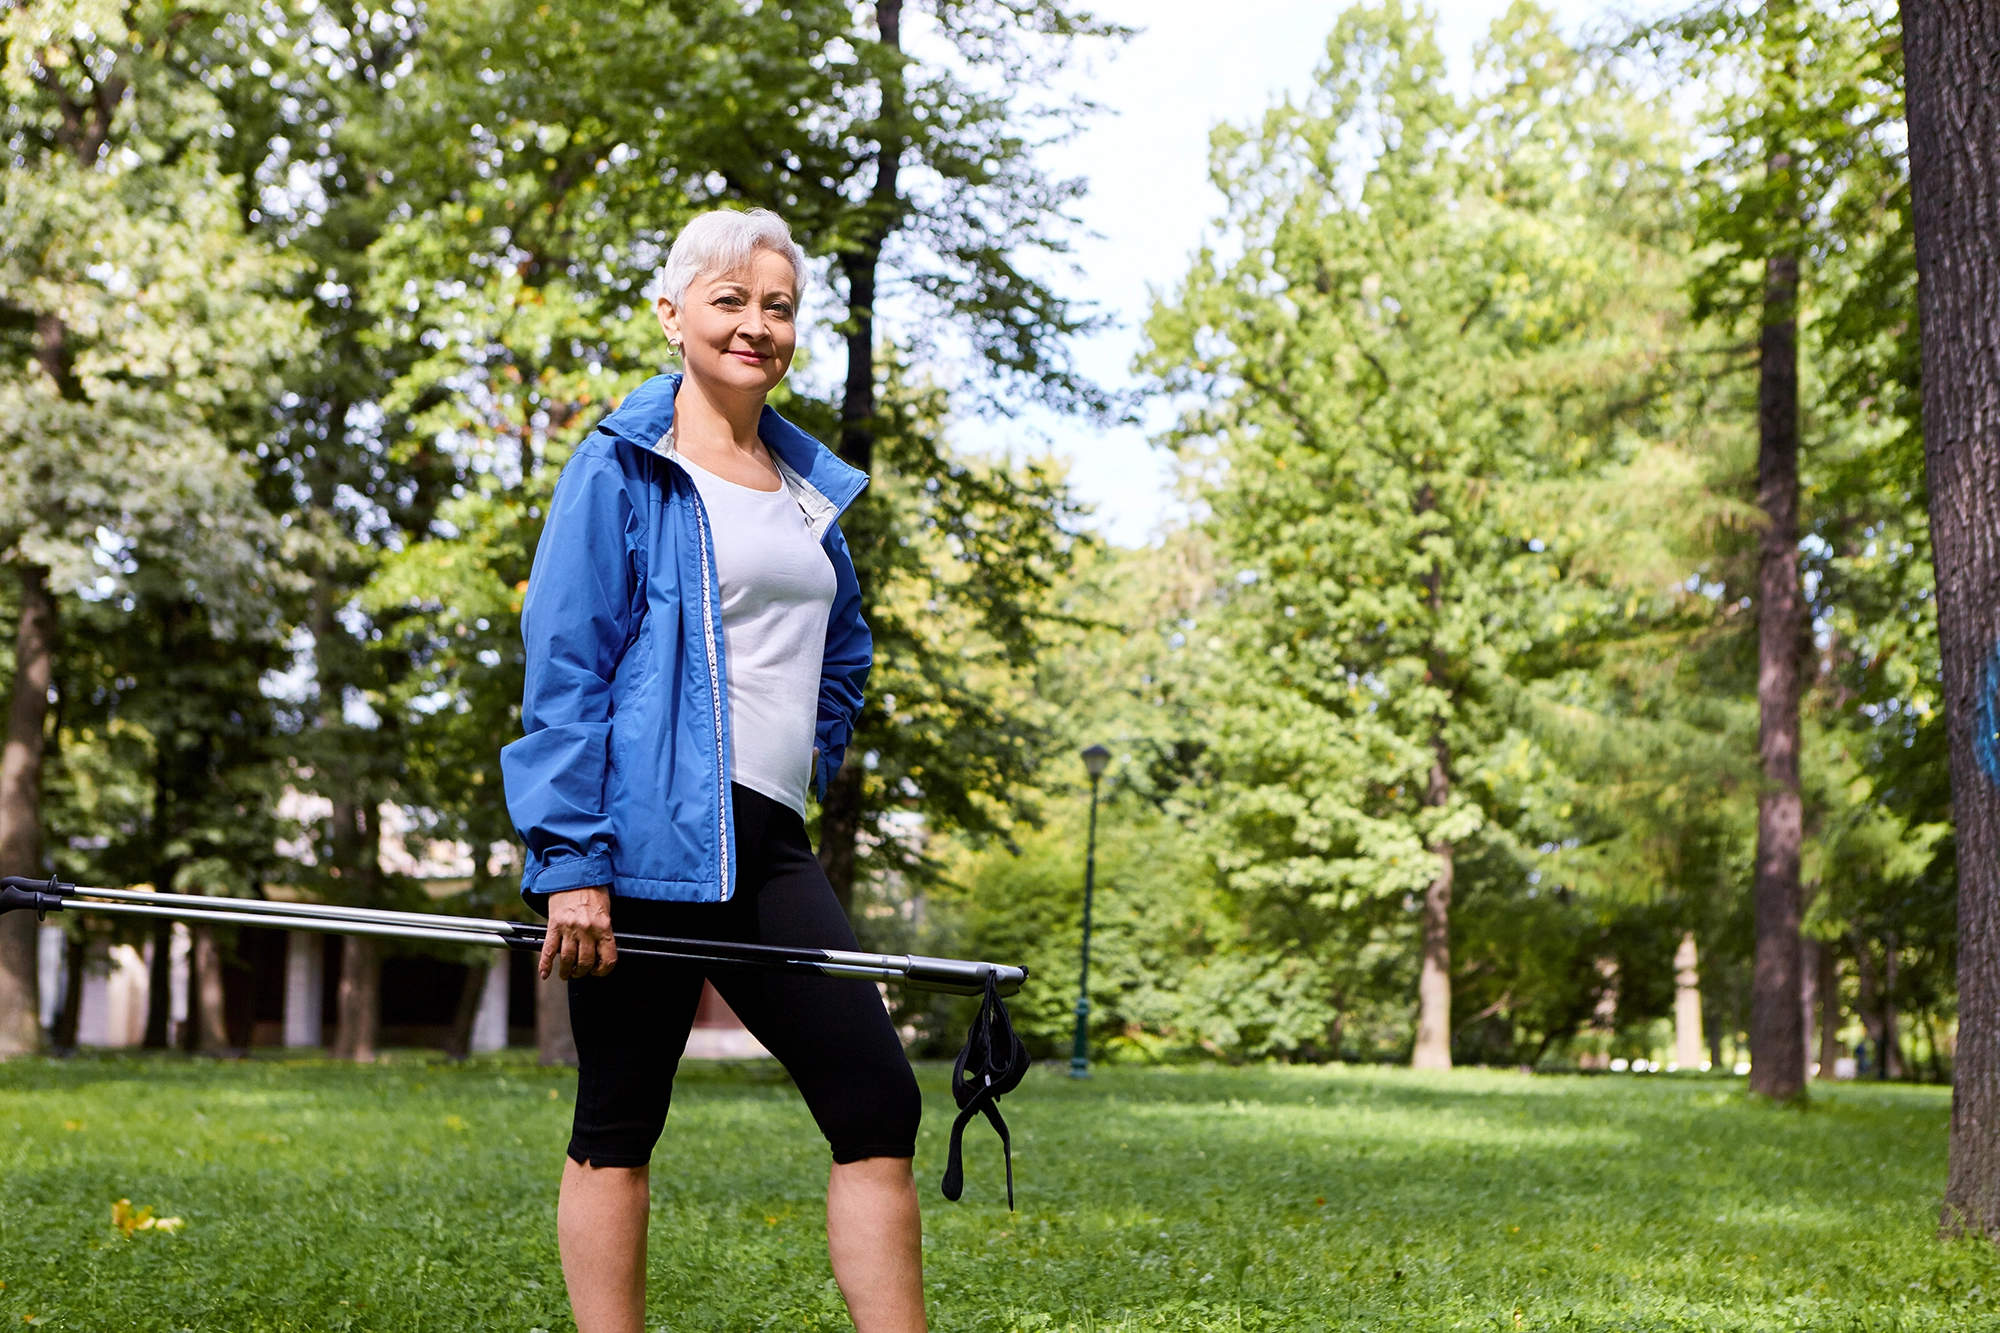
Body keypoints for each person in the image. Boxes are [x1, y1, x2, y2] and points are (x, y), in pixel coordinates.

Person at [500, 208, 925, 1333]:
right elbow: (566, 669)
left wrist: (807, 749)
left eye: (776, 305)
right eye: (729, 300)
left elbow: (842, 641)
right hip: (643, 843)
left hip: (770, 839)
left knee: (877, 1097)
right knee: (619, 1114)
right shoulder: (621, 469)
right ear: (672, 313)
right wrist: (574, 865)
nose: (754, 324)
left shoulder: (803, 484)